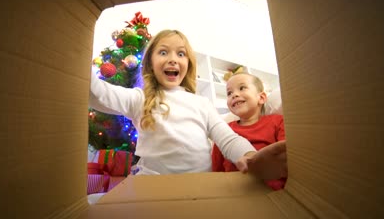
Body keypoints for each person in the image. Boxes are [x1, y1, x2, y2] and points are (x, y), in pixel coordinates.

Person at [89, 29, 261, 176]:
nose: (173, 59)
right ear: (150, 63)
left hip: (198, 187)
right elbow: (99, 94)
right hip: (152, 186)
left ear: (188, 64)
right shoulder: (140, 98)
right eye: (163, 52)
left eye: (181, 54)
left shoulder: (202, 103)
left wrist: (248, 154)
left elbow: (228, 138)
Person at [212, 72, 287, 190]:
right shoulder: (224, 130)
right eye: (229, 93)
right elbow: (216, 170)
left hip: (271, 190)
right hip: (233, 190)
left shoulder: (277, 122)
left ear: (261, 98)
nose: (234, 95)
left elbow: (287, 155)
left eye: (242, 88)